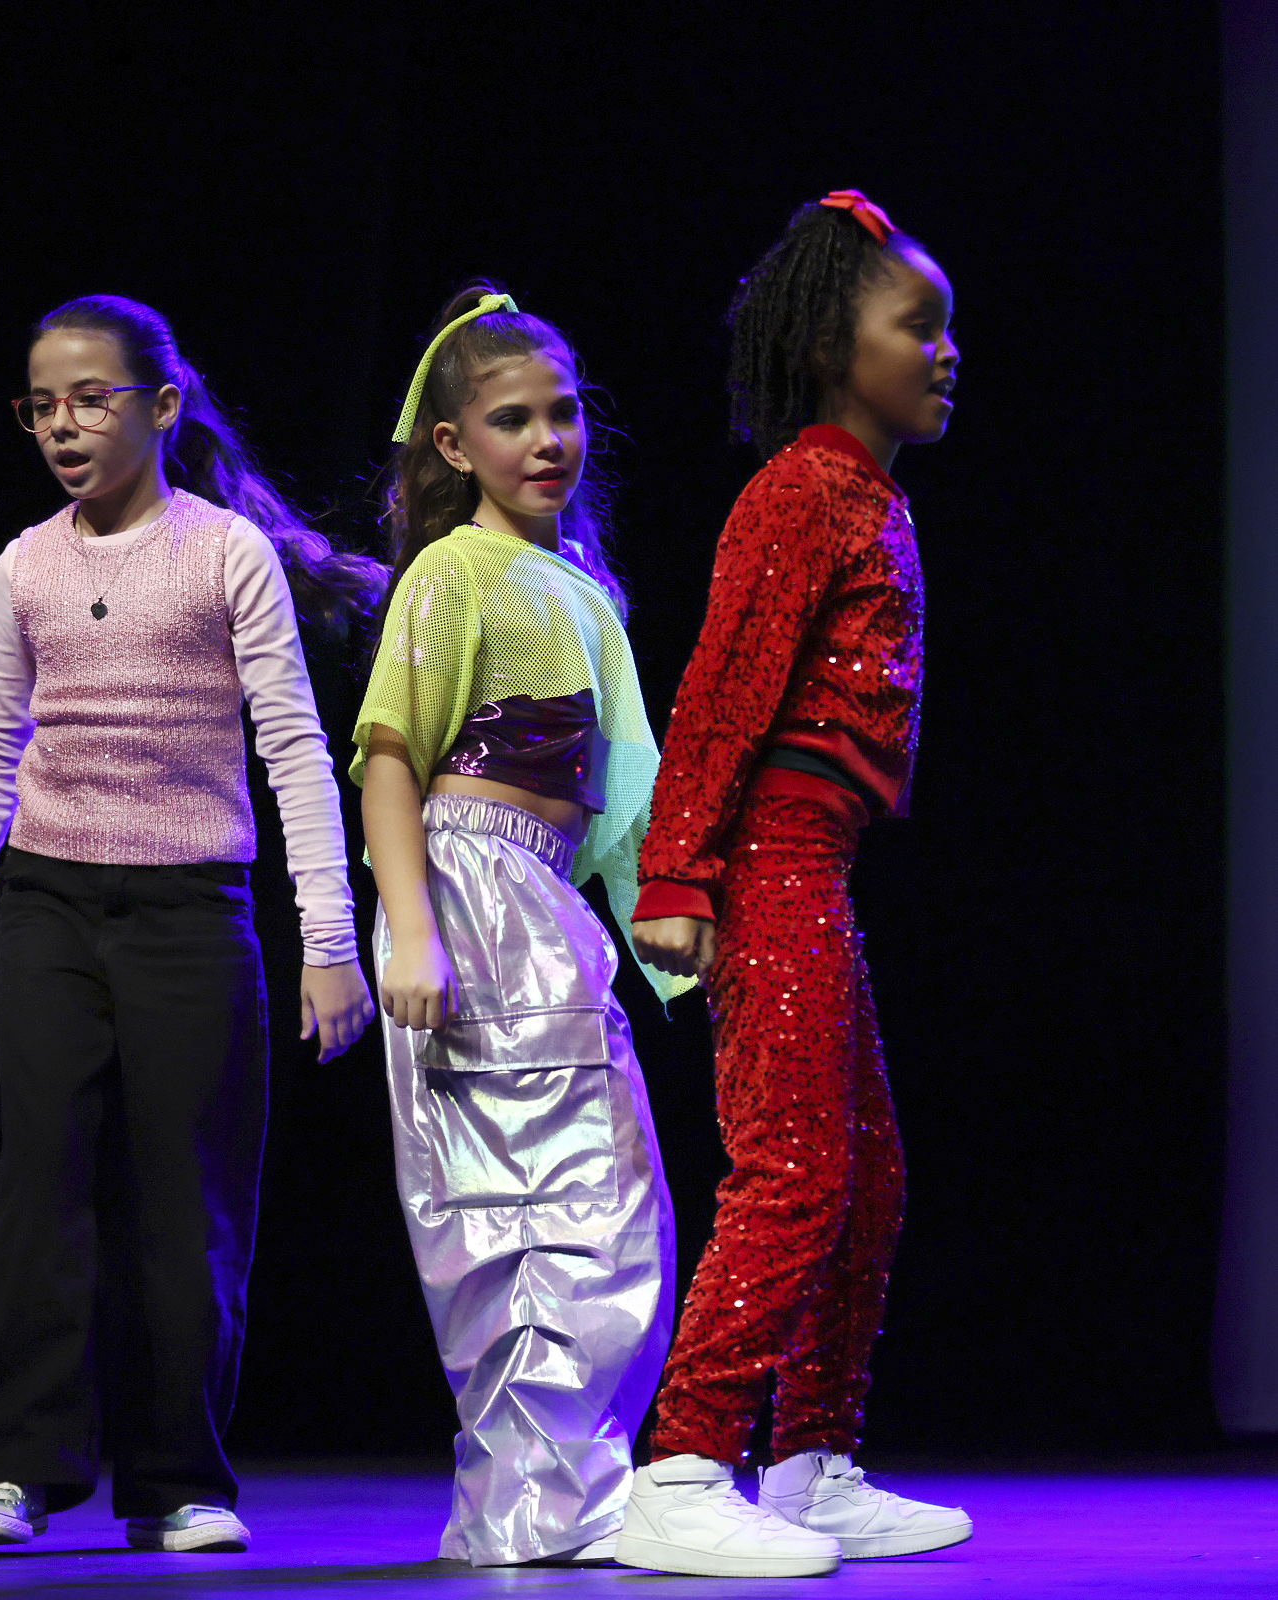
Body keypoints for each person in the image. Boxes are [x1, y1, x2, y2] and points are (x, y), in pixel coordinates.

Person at [0, 294, 378, 1553]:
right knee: (40, 1187)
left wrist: (329, 941)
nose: (62, 426)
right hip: (49, 902)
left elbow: (293, 745)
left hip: (192, 906)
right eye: (41, 406)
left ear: (162, 407)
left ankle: (180, 1479)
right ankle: (17, 1468)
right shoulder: (23, 563)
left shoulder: (225, 552)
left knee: (192, 1199)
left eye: (90, 399)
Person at [615, 191, 974, 1578]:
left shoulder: (864, 492)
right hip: (768, 859)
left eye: (947, 328)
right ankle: (683, 1465)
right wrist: (678, 873)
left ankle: (812, 1464)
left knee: (865, 1173)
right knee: (797, 1164)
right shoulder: (800, 491)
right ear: (833, 344)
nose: (945, 350)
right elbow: (719, 692)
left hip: (816, 860)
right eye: (917, 325)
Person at [355, 285, 691, 1566]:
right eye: (513, 420)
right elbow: (390, 756)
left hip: (541, 900)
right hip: (473, 895)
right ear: (453, 445)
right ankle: (539, 1501)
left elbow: (622, 797)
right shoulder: (454, 571)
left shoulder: (574, 585)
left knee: (589, 1201)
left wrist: (673, 921)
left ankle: (542, 1498)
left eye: (563, 413)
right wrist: (413, 930)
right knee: (517, 1207)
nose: (549, 439)